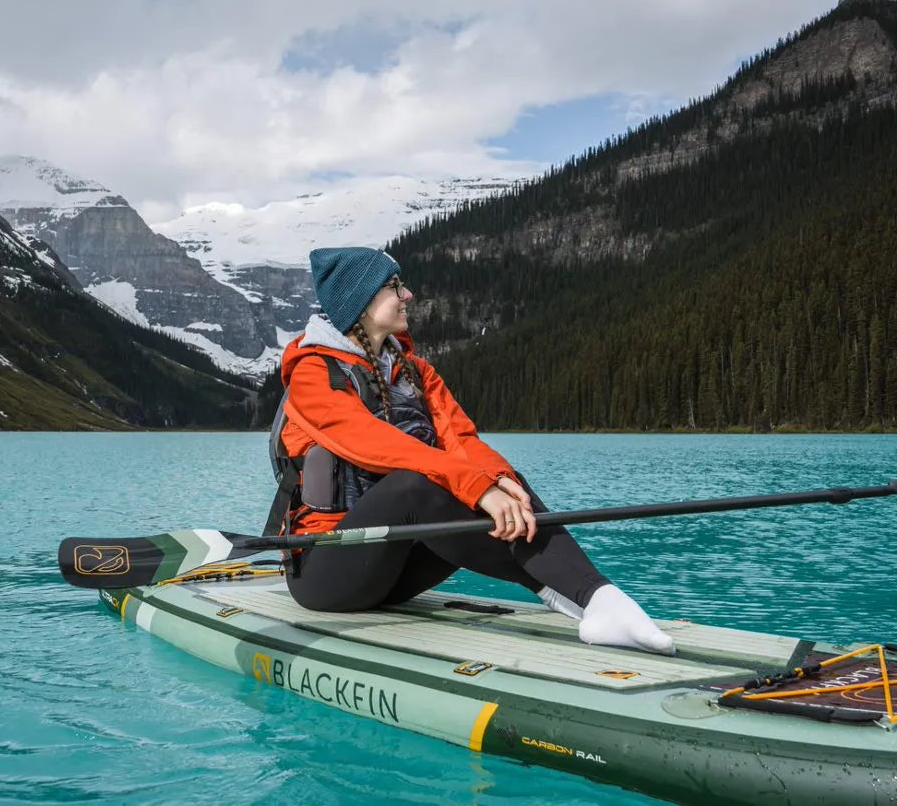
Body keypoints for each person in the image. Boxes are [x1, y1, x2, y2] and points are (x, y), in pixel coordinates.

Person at [271, 246, 674, 655]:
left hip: (400, 568)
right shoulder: (314, 374)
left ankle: (599, 598)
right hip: (329, 571)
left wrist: (496, 480)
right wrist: (475, 487)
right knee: (417, 486)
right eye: (394, 286)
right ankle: (576, 596)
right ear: (360, 300)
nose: (407, 295)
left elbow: (462, 441)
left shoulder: (416, 371)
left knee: (509, 484)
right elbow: (370, 442)